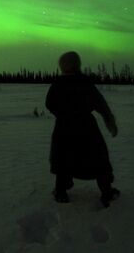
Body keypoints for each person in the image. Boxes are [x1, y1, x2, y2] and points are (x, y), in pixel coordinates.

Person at [46, 51, 120, 207]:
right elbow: (100, 104)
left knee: (63, 158)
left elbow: (49, 104)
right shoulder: (84, 82)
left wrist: (62, 113)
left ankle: (61, 191)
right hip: (86, 127)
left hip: (64, 128)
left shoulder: (58, 83)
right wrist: (110, 122)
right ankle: (106, 191)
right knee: (98, 158)